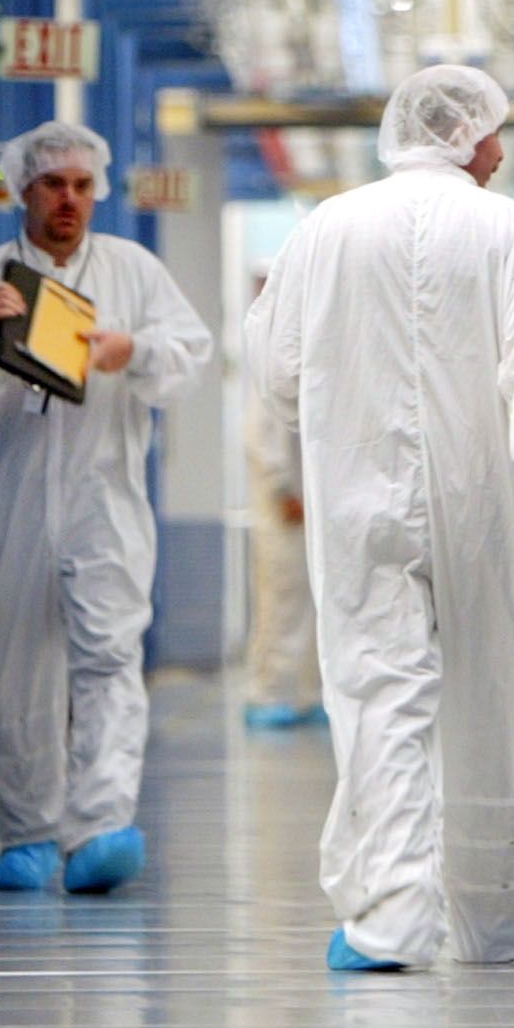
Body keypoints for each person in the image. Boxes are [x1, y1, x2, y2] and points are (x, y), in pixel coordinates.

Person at [245, 65, 514, 971]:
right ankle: (503, 912)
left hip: (359, 497)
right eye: (495, 133)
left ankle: (392, 917)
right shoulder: (507, 225)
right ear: (465, 135)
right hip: (485, 501)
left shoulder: (325, 227)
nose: (503, 150)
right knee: (492, 692)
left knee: (379, 698)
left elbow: (276, 368)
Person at [0, 120, 214, 895]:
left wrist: (134, 352)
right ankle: (27, 831)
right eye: (54, 184)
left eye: (83, 186)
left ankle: (101, 826)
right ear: (24, 188)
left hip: (105, 505)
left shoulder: (133, 271)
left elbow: (192, 351)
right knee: (16, 672)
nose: (69, 200)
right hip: (10, 507)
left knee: (111, 660)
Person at [241, 273, 325, 732]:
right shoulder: (271, 364)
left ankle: (306, 693)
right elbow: (261, 436)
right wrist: (283, 490)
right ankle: (268, 693)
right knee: (282, 603)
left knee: (312, 605)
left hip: (310, 509)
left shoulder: (312, 360)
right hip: (284, 512)